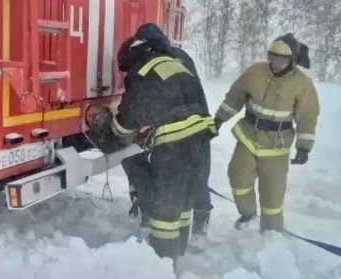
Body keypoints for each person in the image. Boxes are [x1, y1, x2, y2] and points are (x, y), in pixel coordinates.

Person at [110, 35, 216, 265]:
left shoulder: (141, 75)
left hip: (175, 148)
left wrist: (112, 129)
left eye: (125, 69)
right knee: (184, 204)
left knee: (165, 214)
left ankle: (163, 266)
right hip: (200, 142)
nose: (126, 74)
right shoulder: (173, 64)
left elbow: (125, 124)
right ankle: (179, 254)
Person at [213, 33, 319, 232]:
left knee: (272, 196)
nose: (277, 63)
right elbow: (234, 98)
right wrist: (218, 120)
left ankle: (272, 234)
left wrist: (304, 148)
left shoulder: (303, 84)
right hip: (249, 136)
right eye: (274, 57)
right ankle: (248, 214)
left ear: (293, 60)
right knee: (237, 177)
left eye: (283, 59)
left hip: (277, 146)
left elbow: (308, 117)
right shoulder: (254, 73)